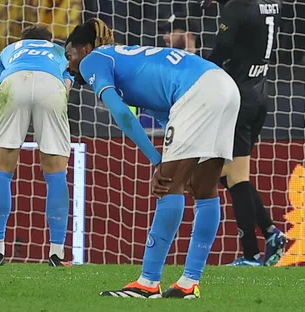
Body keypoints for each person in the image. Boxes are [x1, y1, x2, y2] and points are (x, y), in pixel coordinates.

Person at [65, 18, 241, 298]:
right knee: (204, 189)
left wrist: (157, 160)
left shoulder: (93, 60)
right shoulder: (124, 59)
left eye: (69, 55)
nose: (69, 65)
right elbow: (165, 111)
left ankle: (147, 283)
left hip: (198, 90)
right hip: (225, 86)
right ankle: (189, 283)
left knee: (168, 185)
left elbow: (122, 115)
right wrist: (168, 157)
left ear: (85, 48)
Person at [188, 0, 287, 266]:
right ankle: (269, 234)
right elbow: (247, 2)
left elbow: (218, 56)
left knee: (236, 178)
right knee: (227, 176)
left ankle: (253, 252)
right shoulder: (274, 2)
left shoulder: (236, 10)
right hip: (260, 97)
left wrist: (189, 74)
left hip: (236, 100)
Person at [0, 24, 76, 267]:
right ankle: (57, 253)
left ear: (23, 40)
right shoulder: (59, 51)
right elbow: (67, 82)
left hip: (14, 82)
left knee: (1, 170)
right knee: (56, 173)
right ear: (49, 40)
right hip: (51, 86)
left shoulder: (9, 49)